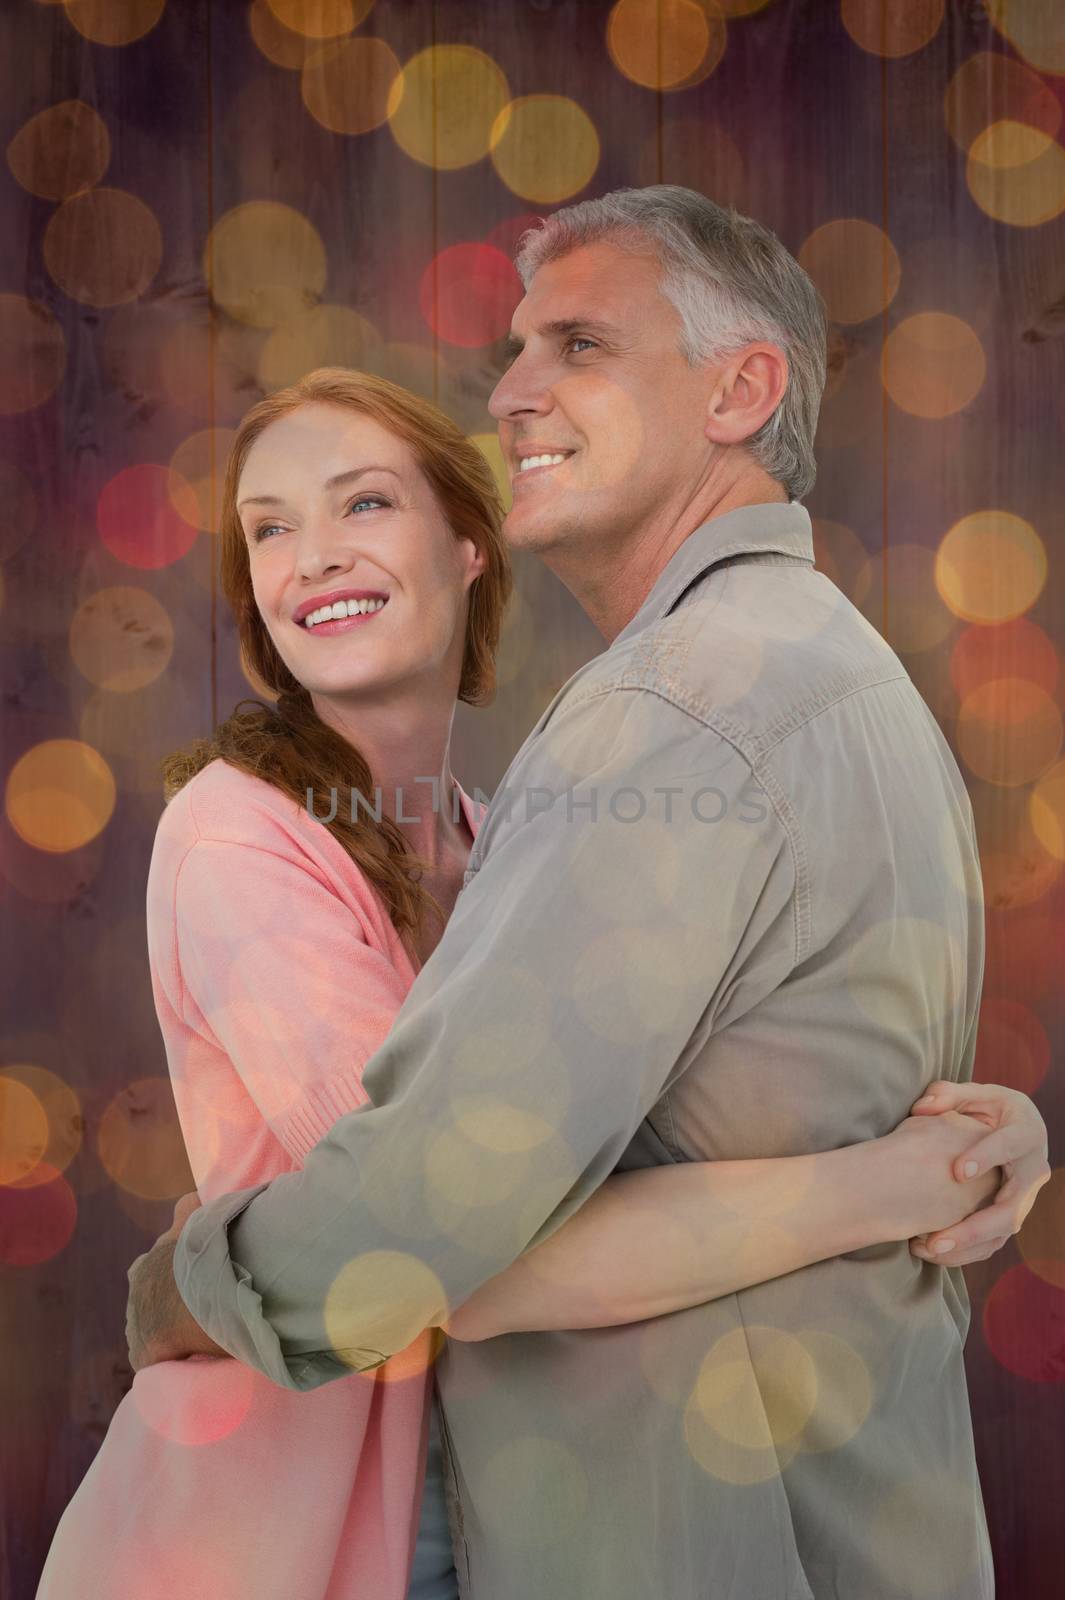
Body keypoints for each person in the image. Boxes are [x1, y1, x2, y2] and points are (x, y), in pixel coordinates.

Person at [126, 189, 1051, 1600]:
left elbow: (429, 1230)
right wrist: (905, 1176)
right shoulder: (845, 676)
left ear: (741, 391)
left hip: (691, 1537)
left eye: (578, 346)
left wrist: (191, 1276)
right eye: (514, 351)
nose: (511, 392)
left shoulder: (666, 712)